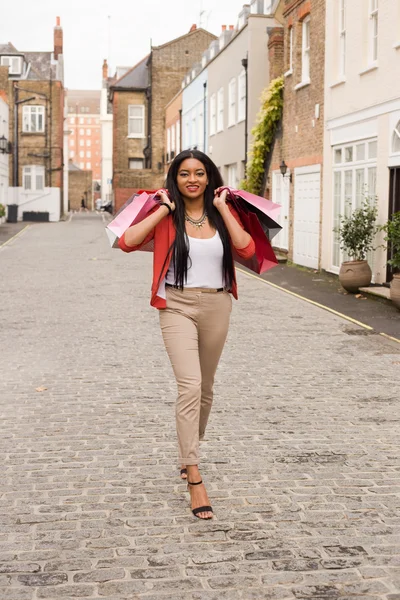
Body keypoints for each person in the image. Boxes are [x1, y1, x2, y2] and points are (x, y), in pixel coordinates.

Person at [118, 150, 255, 520]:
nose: (191, 179)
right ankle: (193, 472)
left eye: (198, 173)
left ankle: (189, 448)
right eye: (183, 174)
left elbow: (247, 248)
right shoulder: (164, 212)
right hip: (176, 304)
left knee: (206, 387)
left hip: (217, 304)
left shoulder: (222, 215)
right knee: (190, 385)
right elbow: (127, 241)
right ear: (175, 179)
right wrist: (163, 209)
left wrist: (224, 207)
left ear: (208, 177)